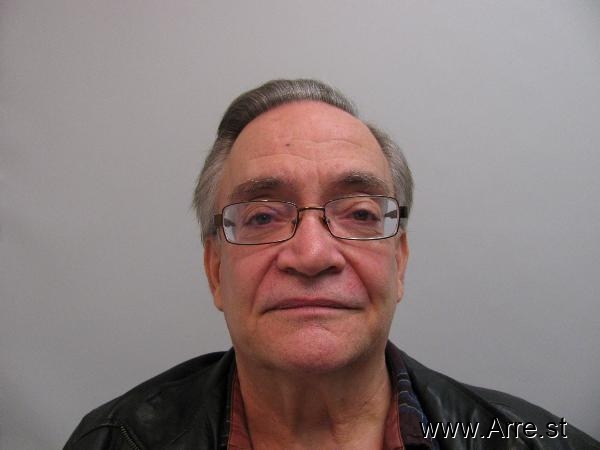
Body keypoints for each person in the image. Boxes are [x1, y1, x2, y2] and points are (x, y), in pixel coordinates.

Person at [64, 79, 599, 449]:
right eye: (262, 217)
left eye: (360, 213)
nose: (313, 255)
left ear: (399, 261)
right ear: (214, 270)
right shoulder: (112, 442)